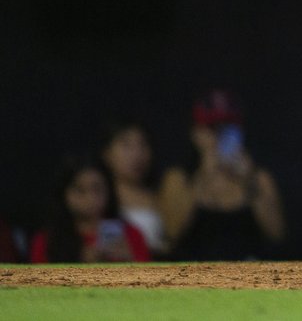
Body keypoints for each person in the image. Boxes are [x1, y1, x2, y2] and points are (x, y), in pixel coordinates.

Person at [157, 89, 285, 260]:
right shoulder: (179, 178)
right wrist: (203, 176)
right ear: (196, 133)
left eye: (227, 128)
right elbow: (172, 233)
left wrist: (249, 181)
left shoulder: (259, 177)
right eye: (212, 128)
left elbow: (277, 234)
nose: (219, 137)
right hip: (194, 275)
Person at [30, 158, 151, 263]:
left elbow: (150, 281)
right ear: (63, 194)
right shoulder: (48, 240)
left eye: (97, 189)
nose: (90, 198)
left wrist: (130, 260)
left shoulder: (131, 234)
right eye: (80, 190)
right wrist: (79, 264)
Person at [99, 119, 167, 256]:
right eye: (126, 145)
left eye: (142, 145)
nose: (137, 154)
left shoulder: (162, 195)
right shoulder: (99, 198)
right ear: (106, 154)